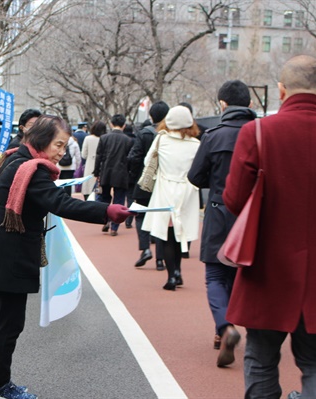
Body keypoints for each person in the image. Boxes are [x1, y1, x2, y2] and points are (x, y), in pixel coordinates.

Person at [0, 115, 133, 399]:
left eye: (64, 145)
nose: (61, 151)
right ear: (42, 140)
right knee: (9, 324)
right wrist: (105, 211)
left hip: (3, 251)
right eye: (58, 144)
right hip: (11, 255)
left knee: (3, 320)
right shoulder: (32, 169)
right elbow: (58, 202)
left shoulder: (16, 157)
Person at [223, 54, 316, 399]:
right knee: (314, 363)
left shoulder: (258, 132)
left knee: (262, 357)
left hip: (268, 266)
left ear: (281, 90)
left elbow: (234, 199)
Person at [187, 80, 256, 367]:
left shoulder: (213, 136)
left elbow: (195, 176)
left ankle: (225, 327)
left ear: (222, 105)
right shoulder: (261, 134)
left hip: (218, 210)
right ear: (249, 105)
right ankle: (249, 327)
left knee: (215, 275)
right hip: (253, 214)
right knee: (245, 273)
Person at [141, 105, 200, 290]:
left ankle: (171, 276)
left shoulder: (161, 140)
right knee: (180, 234)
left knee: (166, 236)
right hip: (187, 192)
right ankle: (178, 272)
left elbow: (148, 161)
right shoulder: (196, 144)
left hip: (165, 189)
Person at [128, 102, 169, 270]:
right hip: (163, 183)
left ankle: (145, 249)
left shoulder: (144, 134)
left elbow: (134, 157)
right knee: (160, 219)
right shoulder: (169, 135)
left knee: (141, 215)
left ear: (151, 116)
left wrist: (134, 176)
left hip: (144, 182)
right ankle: (160, 259)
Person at [93, 114, 134, 236]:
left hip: (106, 171)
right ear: (124, 125)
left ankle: (106, 220)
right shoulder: (128, 140)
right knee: (119, 200)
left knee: (104, 198)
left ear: (111, 124)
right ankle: (114, 227)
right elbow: (130, 159)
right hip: (121, 174)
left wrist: (96, 173)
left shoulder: (104, 138)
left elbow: (99, 156)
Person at [81, 120, 106, 197]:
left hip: (90, 166)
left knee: (88, 188)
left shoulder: (88, 138)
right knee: (99, 190)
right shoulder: (105, 138)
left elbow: (84, 155)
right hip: (102, 167)